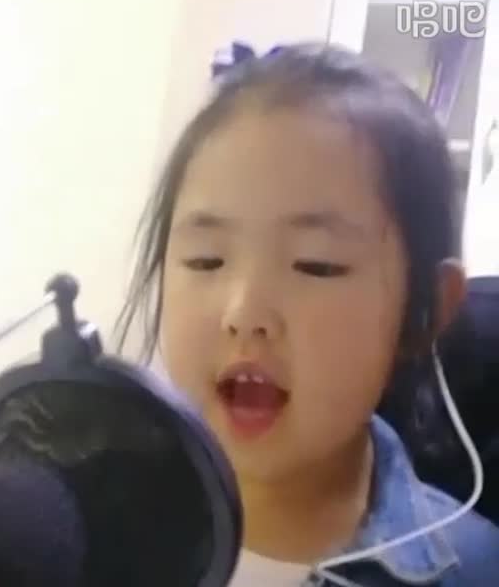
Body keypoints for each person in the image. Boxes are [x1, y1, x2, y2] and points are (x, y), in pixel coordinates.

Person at [115, 42, 499, 586]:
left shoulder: (480, 569)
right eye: (206, 260)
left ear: (424, 312)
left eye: (315, 265)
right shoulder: (80, 525)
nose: (243, 313)